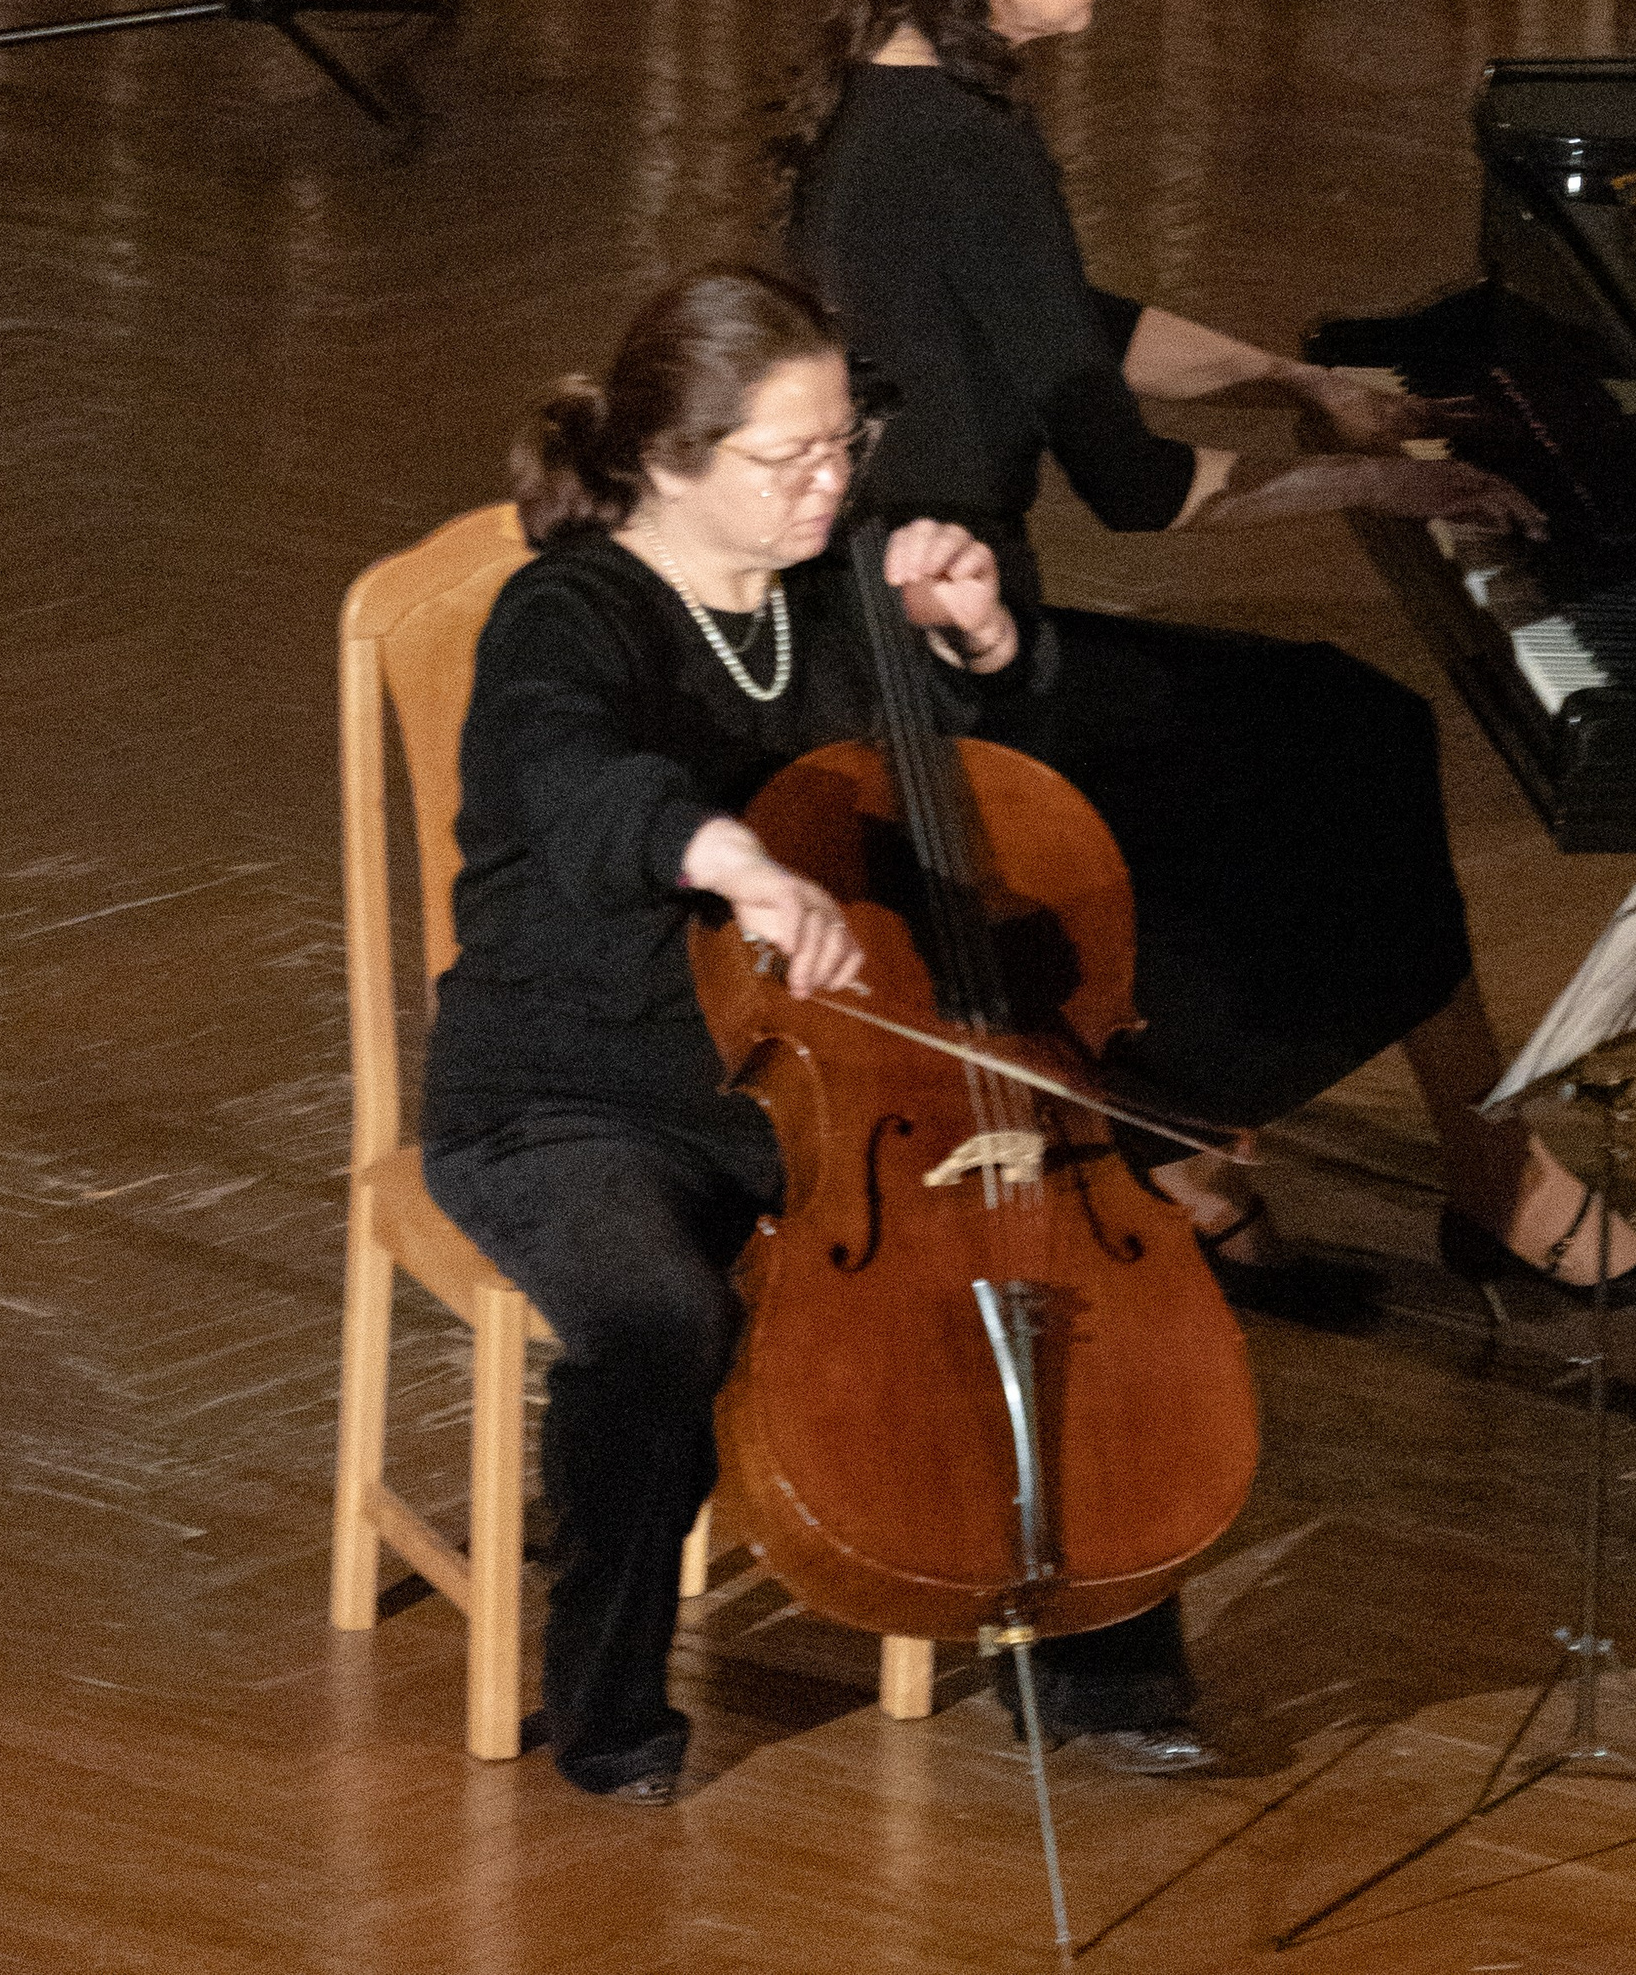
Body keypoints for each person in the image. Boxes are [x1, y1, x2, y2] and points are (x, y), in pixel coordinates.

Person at [785, 0, 1636, 1321]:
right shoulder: (966, 142)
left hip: (893, 639)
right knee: (1346, 735)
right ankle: (1272, 1155)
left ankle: (1283, 1163)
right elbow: (1141, 490)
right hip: (930, 692)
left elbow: (1059, 326)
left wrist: (1296, 380)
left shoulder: (897, 106)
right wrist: (1383, 480)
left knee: (1320, 733)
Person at [421, 263, 1217, 1800]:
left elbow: (972, 813)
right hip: (577, 1088)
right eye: (791, 458)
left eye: (847, 442)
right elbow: (564, 770)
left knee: (1034, 1253)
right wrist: (722, 852)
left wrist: (975, 644)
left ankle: (1099, 1653)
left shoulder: (840, 590)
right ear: (668, 461)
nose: (835, 482)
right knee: (659, 1321)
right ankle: (607, 1704)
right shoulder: (569, 613)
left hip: (836, 1082)